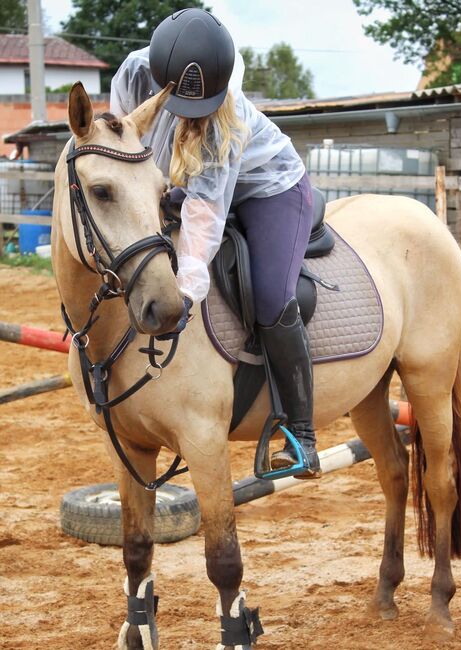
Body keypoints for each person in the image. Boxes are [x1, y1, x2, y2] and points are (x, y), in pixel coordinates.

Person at [110, 7, 320, 479]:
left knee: (270, 294)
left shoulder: (227, 116)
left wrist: (186, 289)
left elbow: (206, 211)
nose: (188, 116)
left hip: (268, 189)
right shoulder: (134, 72)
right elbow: (123, 148)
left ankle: (301, 431)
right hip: (179, 181)